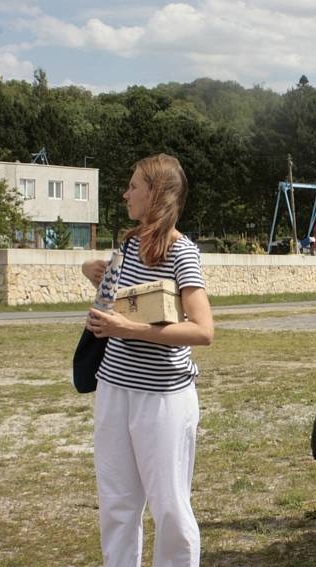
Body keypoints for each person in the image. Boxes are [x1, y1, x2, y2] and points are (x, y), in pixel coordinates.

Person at [81, 153, 213, 567]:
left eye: (133, 186)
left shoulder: (182, 252)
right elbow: (121, 297)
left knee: (170, 506)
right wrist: (92, 269)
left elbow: (203, 330)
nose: (126, 193)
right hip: (114, 388)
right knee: (117, 503)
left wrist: (129, 330)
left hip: (162, 397)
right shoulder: (128, 244)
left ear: (155, 194)